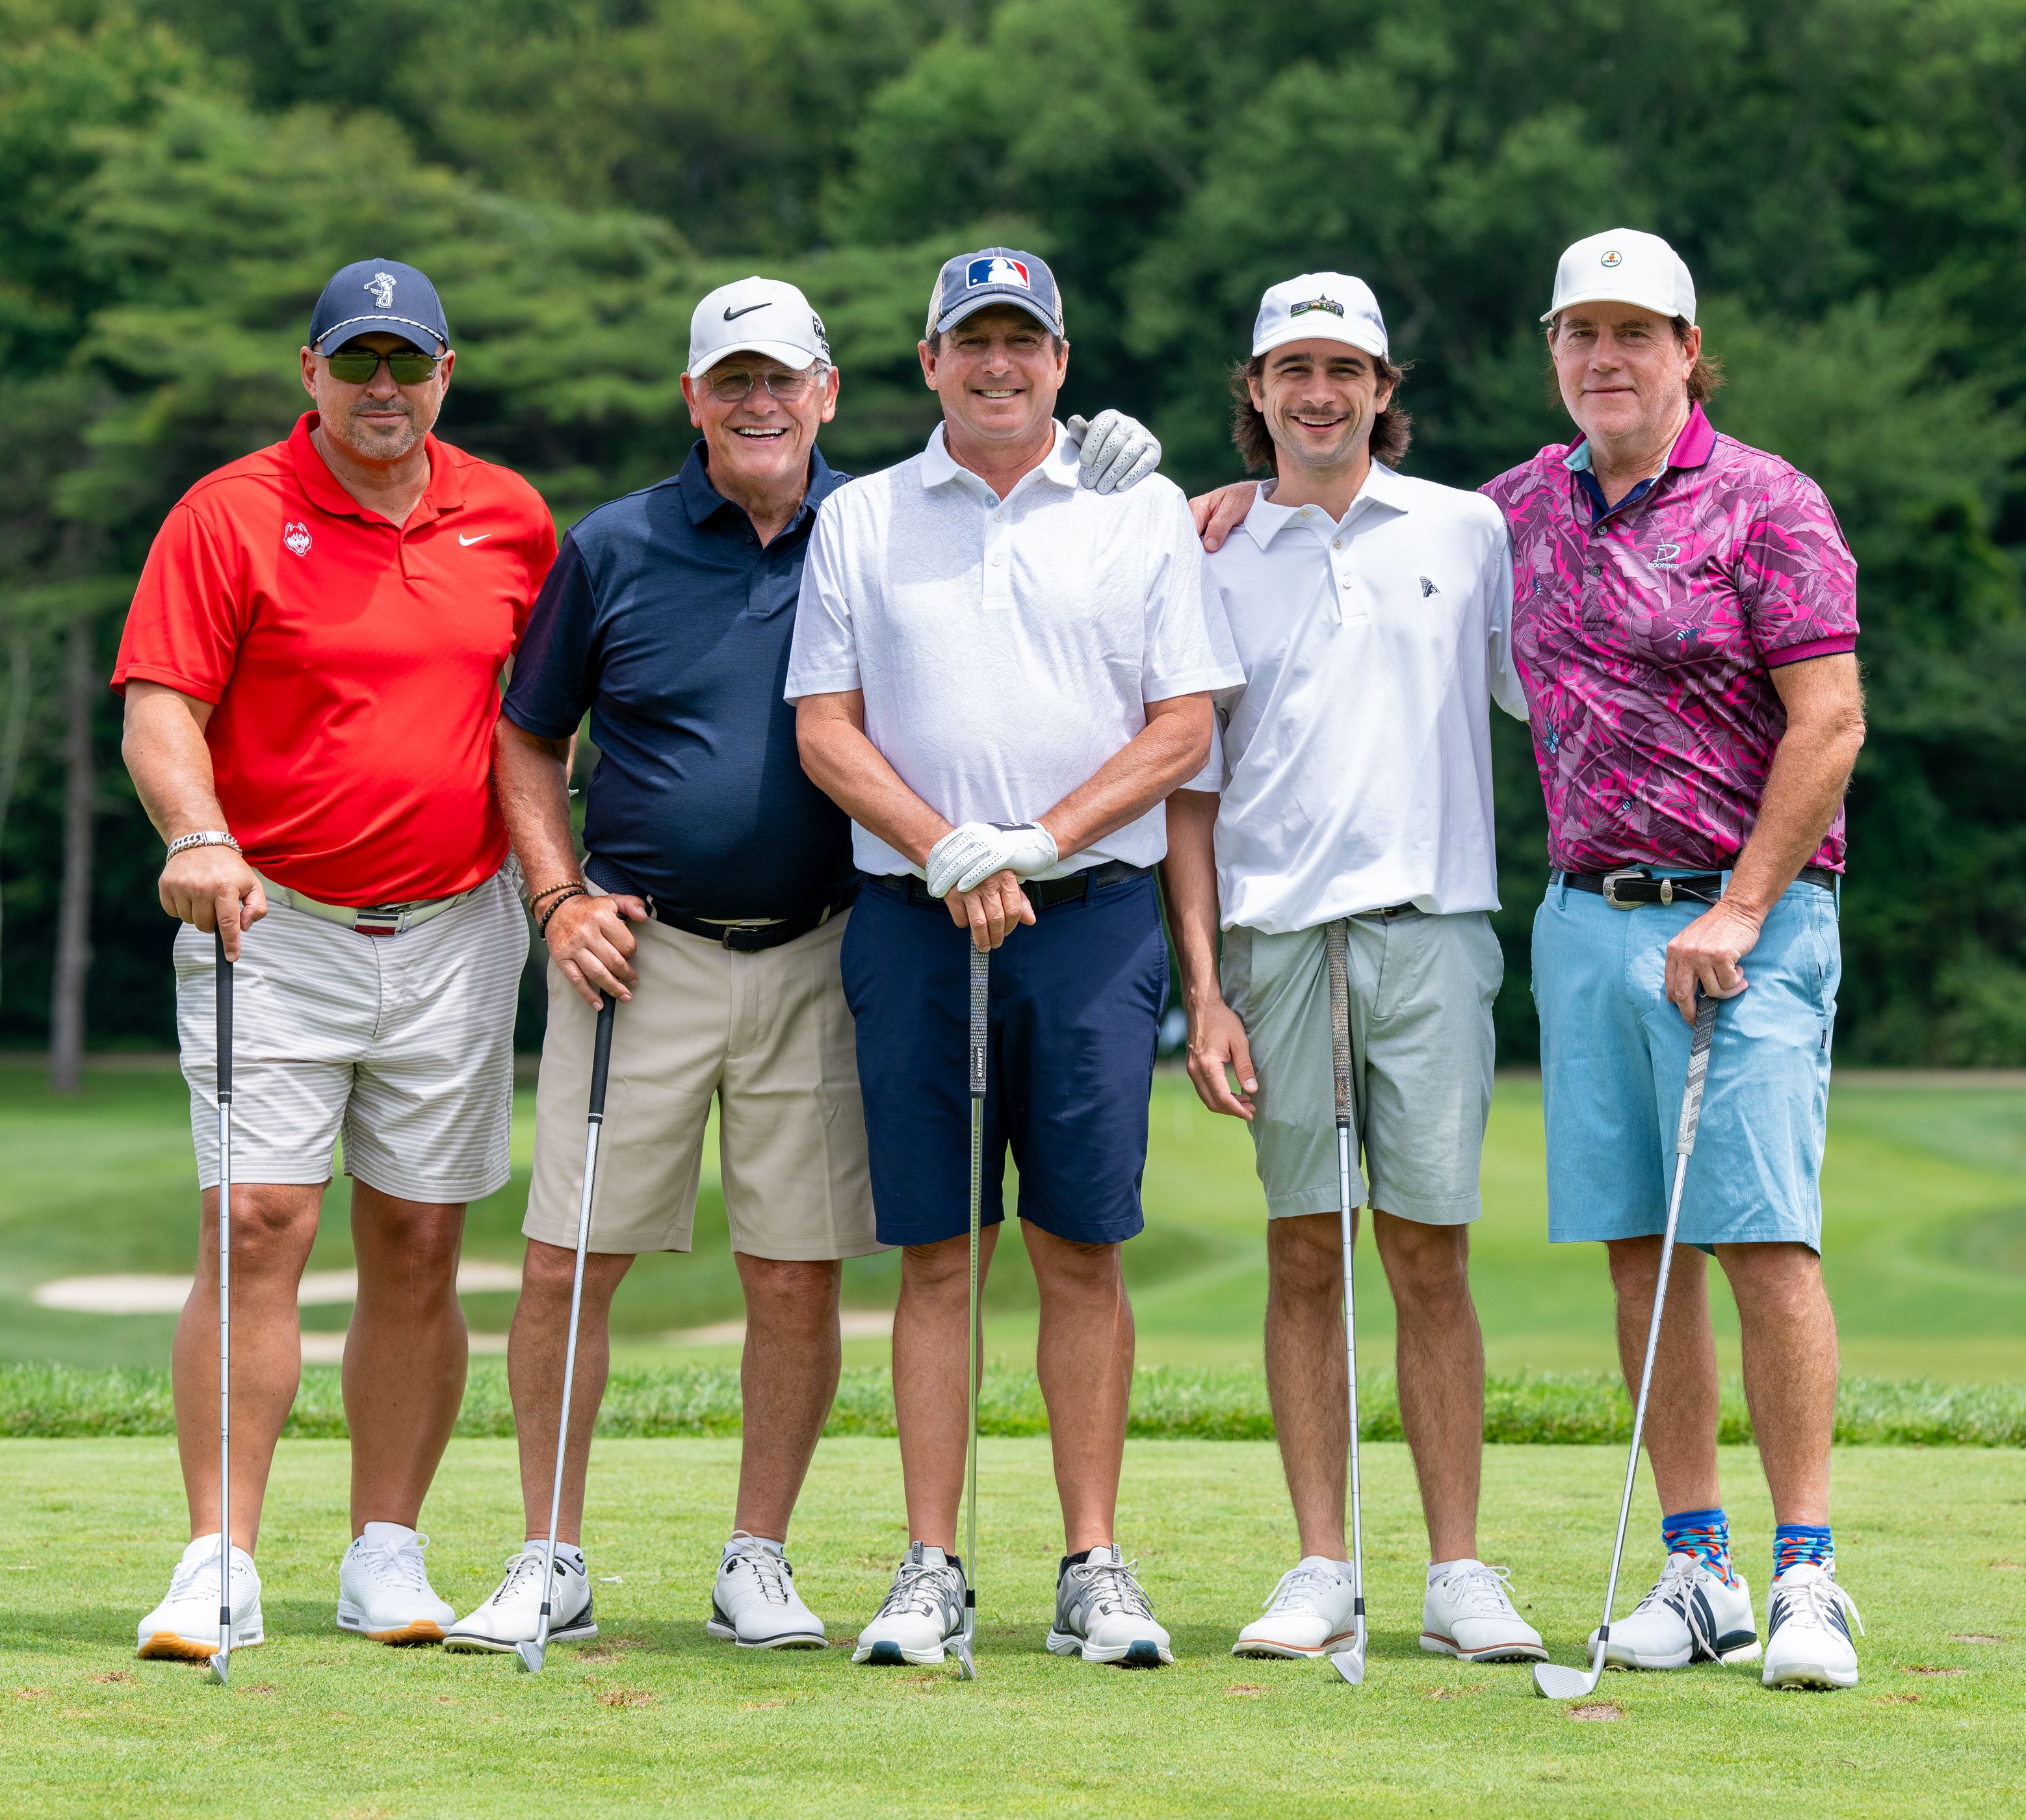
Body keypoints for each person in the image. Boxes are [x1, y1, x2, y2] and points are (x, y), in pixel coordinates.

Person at [442, 277, 1164, 1654]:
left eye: (784, 378)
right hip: (633, 949)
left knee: (795, 1271)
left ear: (832, 390)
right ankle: (549, 1550)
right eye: (733, 380)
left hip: (832, 947)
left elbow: (1070, 573)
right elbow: (528, 737)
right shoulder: (620, 544)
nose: (759, 401)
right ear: (693, 398)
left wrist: (1166, 481)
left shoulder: (886, 522)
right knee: (567, 1262)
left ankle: (755, 1555)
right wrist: (554, 892)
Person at [1203, 228, 1869, 1689]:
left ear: (1690, 350)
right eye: (1583, 334)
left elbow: (1830, 724)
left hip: (1743, 921)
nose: (1608, 359)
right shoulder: (1512, 515)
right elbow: (1339, 534)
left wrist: (1745, 907)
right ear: (1554, 349)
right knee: (1640, 1249)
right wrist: (1237, 502)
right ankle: (1697, 1567)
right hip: (1583, 917)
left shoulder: (1771, 502)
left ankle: (1808, 1570)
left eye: (1639, 333)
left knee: (1762, 1236)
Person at [788, 246, 1238, 1670]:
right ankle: (930, 1563)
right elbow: (826, 728)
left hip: (1092, 916)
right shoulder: (861, 518)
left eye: (1023, 343)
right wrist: (947, 849)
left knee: (1083, 1246)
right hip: (917, 920)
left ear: (1061, 358)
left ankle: (1092, 1562)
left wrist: (1033, 841)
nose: (997, 365)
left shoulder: (1140, 510)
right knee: (936, 1251)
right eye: (970, 342)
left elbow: (1182, 729)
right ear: (928, 362)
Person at [116, 259, 557, 1659]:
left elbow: (544, 718)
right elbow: (160, 706)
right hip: (273, 917)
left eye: (407, 364)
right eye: (356, 363)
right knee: (255, 1224)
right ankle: (220, 1557)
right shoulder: (230, 513)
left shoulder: (510, 518)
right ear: (309, 372)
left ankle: (386, 1547)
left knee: (422, 1238)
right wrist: (195, 835)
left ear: (445, 373)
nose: (383, 389)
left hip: (457, 919)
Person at [1159, 272, 1546, 1669]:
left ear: (1385, 388)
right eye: (1290, 368)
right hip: (1277, 939)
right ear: (1255, 393)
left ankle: (1456, 1568)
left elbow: (1543, 695)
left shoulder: (1468, 526)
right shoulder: (1205, 550)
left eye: (1345, 367)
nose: (1318, 391)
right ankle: (1323, 1558)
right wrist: (1202, 987)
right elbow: (1189, 793)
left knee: (1430, 1254)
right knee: (1305, 1249)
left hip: (1435, 922)